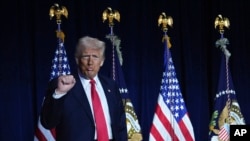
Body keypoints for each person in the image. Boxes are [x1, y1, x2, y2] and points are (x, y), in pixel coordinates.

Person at [41, 36, 128, 141]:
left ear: (102, 61)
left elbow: (120, 124)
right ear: (77, 60)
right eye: (86, 56)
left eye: (95, 57)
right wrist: (59, 93)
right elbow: (47, 123)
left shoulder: (111, 86)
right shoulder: (63, 85)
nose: (90, 62)